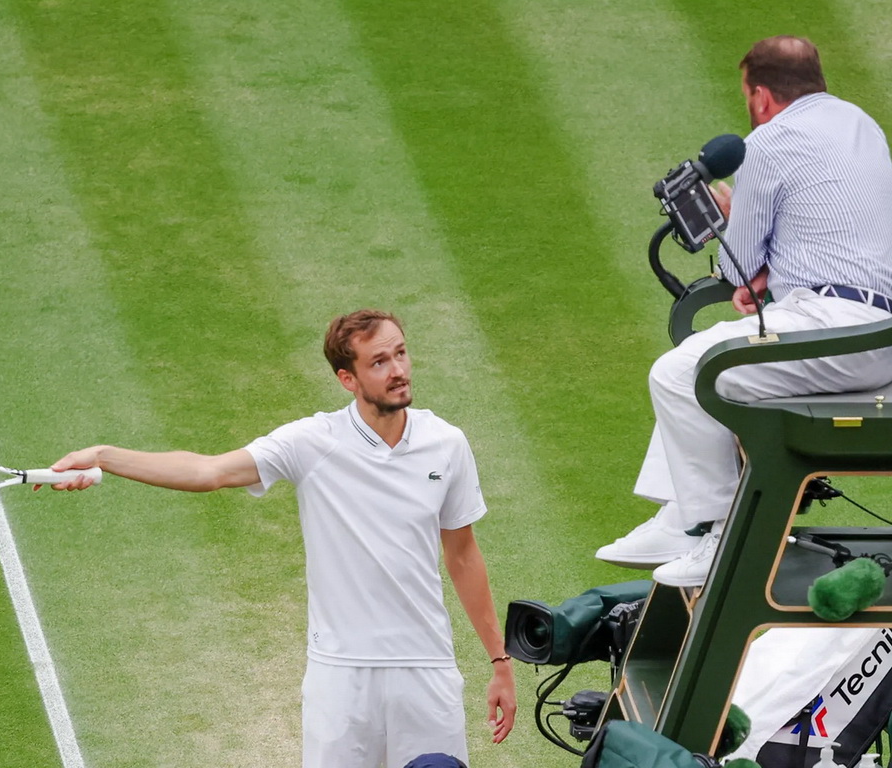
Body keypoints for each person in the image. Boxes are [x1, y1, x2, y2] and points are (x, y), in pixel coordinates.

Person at [44, 309, 516, 768]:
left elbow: (462, 555)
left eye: (401, 354)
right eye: (379, 362)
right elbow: (209, 471)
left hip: (426, 668)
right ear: (346, 378)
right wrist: (105, 456)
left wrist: (500, 661)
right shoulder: (311, 442)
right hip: (340, 675)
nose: (398, 370)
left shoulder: (447, 444)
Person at [596, 35, 892, 587]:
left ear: (759, 95)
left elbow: (738, 272)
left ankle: (717, 533)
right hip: (874, 332)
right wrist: (767, 275)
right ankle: (678, 514)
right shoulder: (862, 127)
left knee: (685, 372)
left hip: (836, 331)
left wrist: (736, 216)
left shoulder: (769, 142)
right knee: (703, 356)